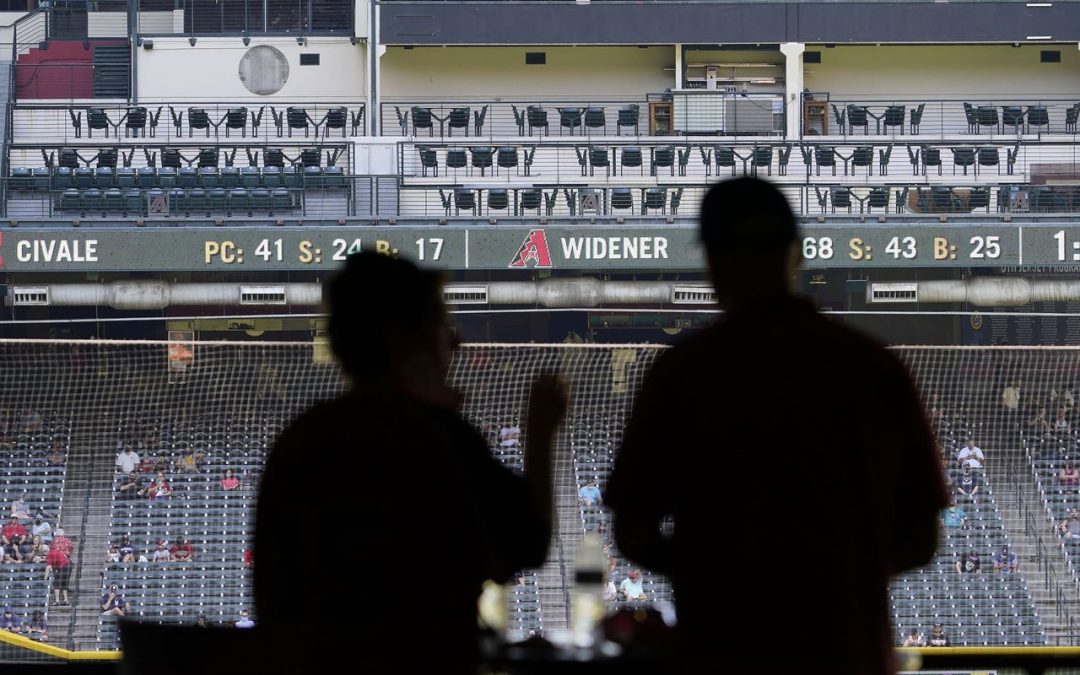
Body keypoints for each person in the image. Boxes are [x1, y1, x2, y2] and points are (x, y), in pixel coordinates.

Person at [608, 178, 947, 675]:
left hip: (722, 653)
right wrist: (837, 576)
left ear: (712, 263)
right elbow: (921, 537)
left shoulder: (685, 373)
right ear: (798, 254)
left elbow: (633, 531)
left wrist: (724, 576)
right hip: (845, 654)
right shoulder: (872, 367)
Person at [255, 252, 565, 672]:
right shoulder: (435, 438)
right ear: (409, 339)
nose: (455, 342)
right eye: (442, 325)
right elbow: (528, 545)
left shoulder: (300, 440)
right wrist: (541, 433)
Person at [44, 536, 72, 607]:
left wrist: (45, 578)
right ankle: (66, 600)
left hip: (62, 567)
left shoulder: (50, 553)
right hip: (69, 565)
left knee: (56, 584)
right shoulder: (57, 550)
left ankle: (57, 601)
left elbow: (48, 567)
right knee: (64, 584)